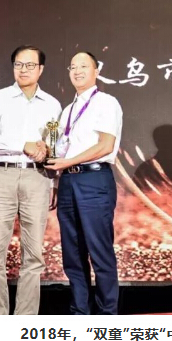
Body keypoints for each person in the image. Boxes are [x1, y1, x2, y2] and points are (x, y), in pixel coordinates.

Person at [0, 45, 61, 315]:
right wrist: (22, 145)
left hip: (38, 177)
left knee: (34, 255)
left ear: (41, 69)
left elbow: (54, 145)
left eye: (30, 65)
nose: (23, 70)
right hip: (2, 175)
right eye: (18, 64)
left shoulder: (52, 104)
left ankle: (26, 320)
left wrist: (52, 177)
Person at [45, 51, 123, 315]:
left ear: (96, 71)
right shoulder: (67, 110)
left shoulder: (106, 102)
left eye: (83, 66)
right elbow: (62, 150)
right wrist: (56, 183)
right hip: (68, 181)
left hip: (94, 179)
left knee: (99, 251)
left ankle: (106, 316)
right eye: (73, 67)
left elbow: (106, 145)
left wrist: (67, 163)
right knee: (72, 255)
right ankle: (80, 314)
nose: (77, 71)